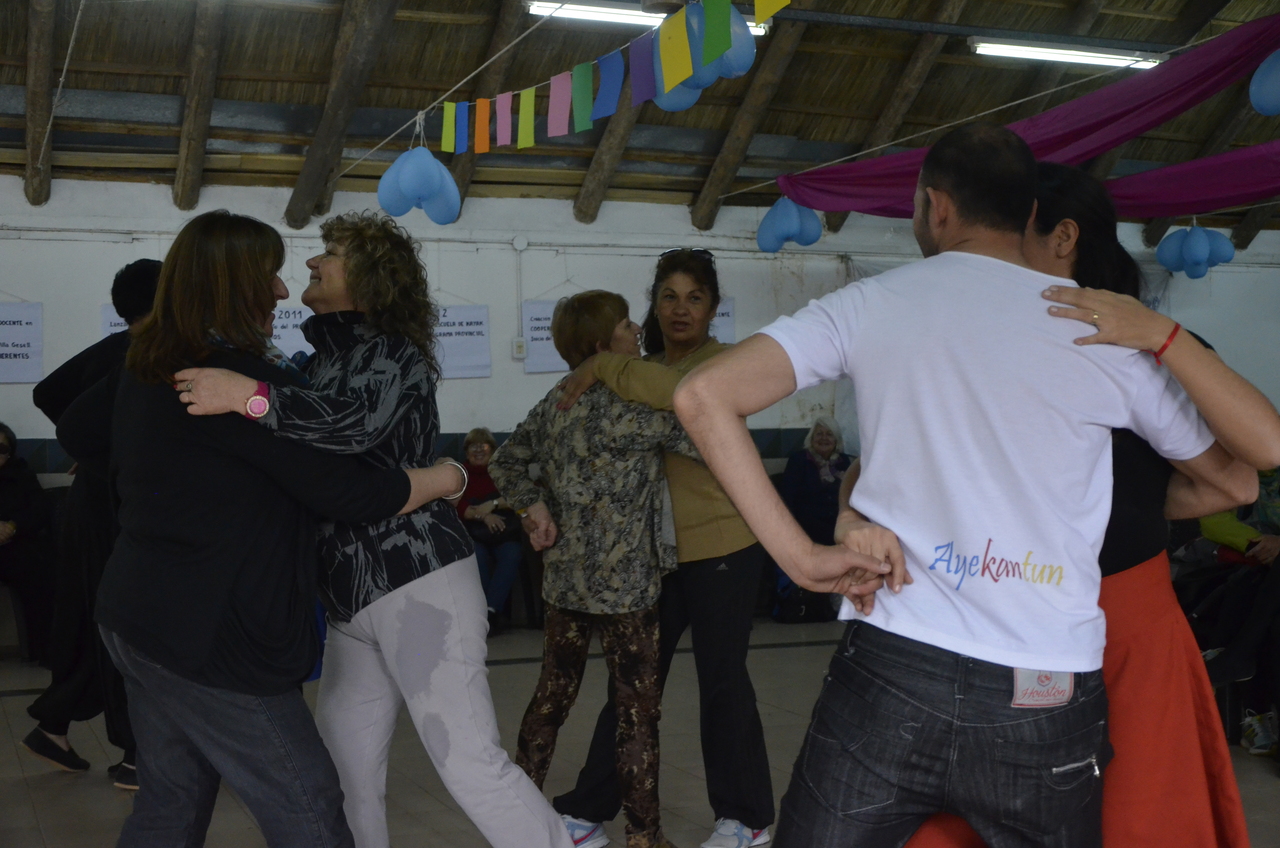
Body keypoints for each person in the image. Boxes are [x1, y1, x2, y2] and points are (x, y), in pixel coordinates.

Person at [669, 124, 1265, 848]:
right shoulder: (1101, 331)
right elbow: (1237, 476)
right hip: (1047, 681)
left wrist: (801, 557)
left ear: (936, 206)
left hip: (896, 664)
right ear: (1029, 213)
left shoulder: (871, 304)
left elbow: (702, 396)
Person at [893, 160, 1271, 848]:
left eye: (1008, 237)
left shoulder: (1147, 346)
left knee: (1132, 817)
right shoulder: (980, 340)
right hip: (1000, 612)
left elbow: (1253, 469)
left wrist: (1160, 335)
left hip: (1122, 622)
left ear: (1063, 238)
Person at [60, 209, 462, 848]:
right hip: (210, 634)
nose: (281, 290)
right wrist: (447, 477)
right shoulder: (235, 383)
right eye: (270, 276)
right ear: (232, 286)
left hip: (136, 614)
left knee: (170, 803)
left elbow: (76, 430)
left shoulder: (149, 364)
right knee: (309, 807)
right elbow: (350, 493)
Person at [173, 211, 571, 848]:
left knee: (470, 762)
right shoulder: (320, 361)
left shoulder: (392, 352)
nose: (311, 261)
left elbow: (349, 426)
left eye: (330, 252)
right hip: (349, 599)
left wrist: (248, 395)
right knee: (344, 773)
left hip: (419, 582)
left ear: (371, 278)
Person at [551, 249, 777, 848]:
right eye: (669, 297)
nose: (681, 309)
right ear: (653, 305)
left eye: (694, 298)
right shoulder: (639, 366)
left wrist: (602, 363)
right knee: (632, 684)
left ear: (712, 307)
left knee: (722, 681)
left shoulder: (723, 362)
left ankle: (747, 819)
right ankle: (585, 812)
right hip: (655, 555)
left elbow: (685, 393)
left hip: (724, 545)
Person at [490, 290, 700, 848]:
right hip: (628, 591)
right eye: (627, 325)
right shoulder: (636, 408)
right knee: (637, 714)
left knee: (551, 699)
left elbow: (506, 460)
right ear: (604, 343)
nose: (638, 331)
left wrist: (533, 508)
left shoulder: (557, 400)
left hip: (564, 582)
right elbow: (705, 437)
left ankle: (516, 822)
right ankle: (644, 836)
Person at [24, 258, 159, 788]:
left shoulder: (113, 347)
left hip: (91, 503)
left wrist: (90, 448)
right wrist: (100, 452)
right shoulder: (145, 354)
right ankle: (134, 754)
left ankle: (54, 727)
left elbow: (48, 395)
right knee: (125, 623)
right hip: (113, 505)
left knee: (93, 617)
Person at [458, 426, 524, 630]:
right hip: (473, 534)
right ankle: (485, 612)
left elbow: (519, 496)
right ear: (466, 452)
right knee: (475, 556)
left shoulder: (502, 471)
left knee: (512, 554)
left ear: (493, 450)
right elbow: (458, 506)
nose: (479, 450)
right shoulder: (460, 474)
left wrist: (493, 504)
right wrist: (485, 516)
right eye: (473, 446)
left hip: (504, 533)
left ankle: (490, 610)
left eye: (484, 446)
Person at [0, 421, 53, 667]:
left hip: (16, 546)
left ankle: (44, 650)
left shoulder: (21, 474)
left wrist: (12, 526)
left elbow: (40, 509)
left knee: (39, 571)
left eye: (1, 449)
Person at [778, 417, 853, 547]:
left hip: (837, 524)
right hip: (807, 527)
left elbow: (849, 495)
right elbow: (787, 497)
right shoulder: (799, 460)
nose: (824, 438)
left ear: (836, 440)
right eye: (819, 434)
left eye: (829, 434)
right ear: (811, 439)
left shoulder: (843, 461)